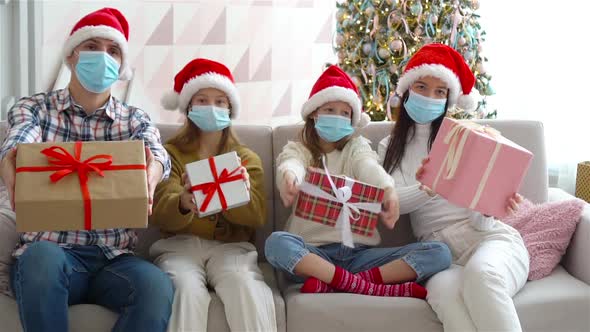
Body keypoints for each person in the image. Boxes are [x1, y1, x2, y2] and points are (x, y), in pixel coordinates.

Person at [0, 8, 174, 332]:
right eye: (92, 46)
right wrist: (11, 156)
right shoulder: (34, 109)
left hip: (114, 259)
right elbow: (21, 138)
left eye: (113, 51)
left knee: (157, 286)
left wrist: (153, 170)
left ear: (121, 66)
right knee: (40, 260)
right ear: (71, 55)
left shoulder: (133, 120)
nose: (102, 56)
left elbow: (156, 152)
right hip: (53, 254)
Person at [265, 65, 451, 298]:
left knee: (439, 253)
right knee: (276, 243)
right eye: (330, 109)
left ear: (353, 118)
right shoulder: (299, 148)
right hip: (312, 256)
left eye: (345, 113)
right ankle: (366, 286)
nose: (338, 117)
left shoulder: (357, 147)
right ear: (314, 113)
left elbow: (368, 167)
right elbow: (291, 163)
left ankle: (343, 282)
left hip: (358, 257)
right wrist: (290, 177)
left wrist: (387, 190)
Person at [379, 43, 528, 331]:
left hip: (489, 240)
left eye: (440, 92)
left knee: (481, 275)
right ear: (407, 90)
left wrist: (492, 205)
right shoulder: (388, 148)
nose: (429, 97)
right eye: (421, 87)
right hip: (438, 254)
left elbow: (481, 223)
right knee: (449, 302)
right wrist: (429, 186)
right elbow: (391, 204)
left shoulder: (465, 138)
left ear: (449, 99)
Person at [150, 58, 277, 332]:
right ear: (188, 106)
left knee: (244, 284)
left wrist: (238, 193)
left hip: (231, 249)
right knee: (183, 288)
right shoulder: (170, 153)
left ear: (230, 108)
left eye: (220, 101)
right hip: (179, 246)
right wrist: (183, 202)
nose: (212, 107)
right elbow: (160, 208)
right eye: (203, 100)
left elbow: (257, 216)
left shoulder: (246, 158)